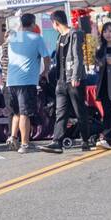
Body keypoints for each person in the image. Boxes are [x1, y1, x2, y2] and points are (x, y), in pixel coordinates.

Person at [41, 10, 91, 153]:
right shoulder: (59, 37)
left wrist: (75, 76)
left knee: (79, 110)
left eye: (53, 23)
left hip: (74, 79)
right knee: (61, 112)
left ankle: (85, 140)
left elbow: (77, 57)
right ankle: (57, 141)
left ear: (56, 23)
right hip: (61, 80)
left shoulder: (73, 34)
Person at [5, 14, 49, 153]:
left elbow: (14, 34)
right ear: (33, 23)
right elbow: (46, 58)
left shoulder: (13, 37)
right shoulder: (37, 38)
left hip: (11, 81)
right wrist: (45, 72)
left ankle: (13, 137)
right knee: (25, 113)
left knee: (16, 112)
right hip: (27, 80)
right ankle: (25, 144)